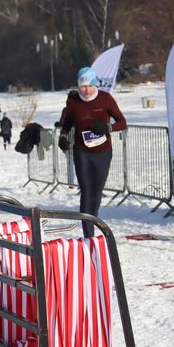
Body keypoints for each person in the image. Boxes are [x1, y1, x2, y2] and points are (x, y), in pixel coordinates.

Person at [58, 66, 127, 238]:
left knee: (96, 191)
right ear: (78, 86)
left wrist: (108, 127)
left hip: (103, 152)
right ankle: (88, 234)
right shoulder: (73, 102)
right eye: (83, 87)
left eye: (89, 86)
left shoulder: (105, 99)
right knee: (86, 191)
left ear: (95, 84)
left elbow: (122, 122)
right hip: (82, 152)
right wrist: (63, 137)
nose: (86, 90)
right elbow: (66, 124)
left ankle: (93, 222)